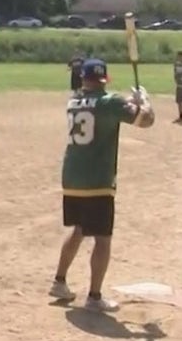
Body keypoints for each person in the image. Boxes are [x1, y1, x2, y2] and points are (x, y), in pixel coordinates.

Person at [49, 58, 155, 312]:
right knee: (103, 239)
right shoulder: (111, 101)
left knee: (78, 230)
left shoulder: (73, 101)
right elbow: (146, 121)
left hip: (72, 177)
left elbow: (104, 106)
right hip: (97, 179)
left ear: (83, 78)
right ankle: (94, 297)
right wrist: (144, 101)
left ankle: (59, 282)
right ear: (104, 79)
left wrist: (132, 104)